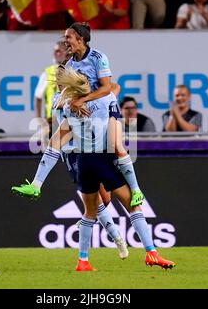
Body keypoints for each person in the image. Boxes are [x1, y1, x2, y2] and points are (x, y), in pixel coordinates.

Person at [13, 67, 175, 271]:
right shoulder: (106, 100)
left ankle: (83, 261)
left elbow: (54, 143)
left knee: (92, 211)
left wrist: (37, 183)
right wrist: (135, 187)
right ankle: (151, 252)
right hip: (101, 158)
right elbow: (117, 146)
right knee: (132, 206)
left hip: (83, 162)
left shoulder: (65, 105)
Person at [63, 22, 145, 207]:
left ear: (80, 38)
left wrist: (84, 100)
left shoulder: (98, 57)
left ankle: (136, 189)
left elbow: (108, 88)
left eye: (68, 36)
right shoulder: (69, 65)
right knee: (104, 196)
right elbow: (72, 95)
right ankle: (93, 216)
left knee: (116, 145)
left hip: (107, 108)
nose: (65, 41)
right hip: (89, 117)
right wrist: (72, 102)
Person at [34, 41, 69, 120]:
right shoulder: (48, 72)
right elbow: (38, 96)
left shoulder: (73, 69)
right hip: (53, 119)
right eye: (54, 51)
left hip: (71, 117)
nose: (55, 54)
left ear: (66, 52)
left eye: (58, 51)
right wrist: (39, 120)